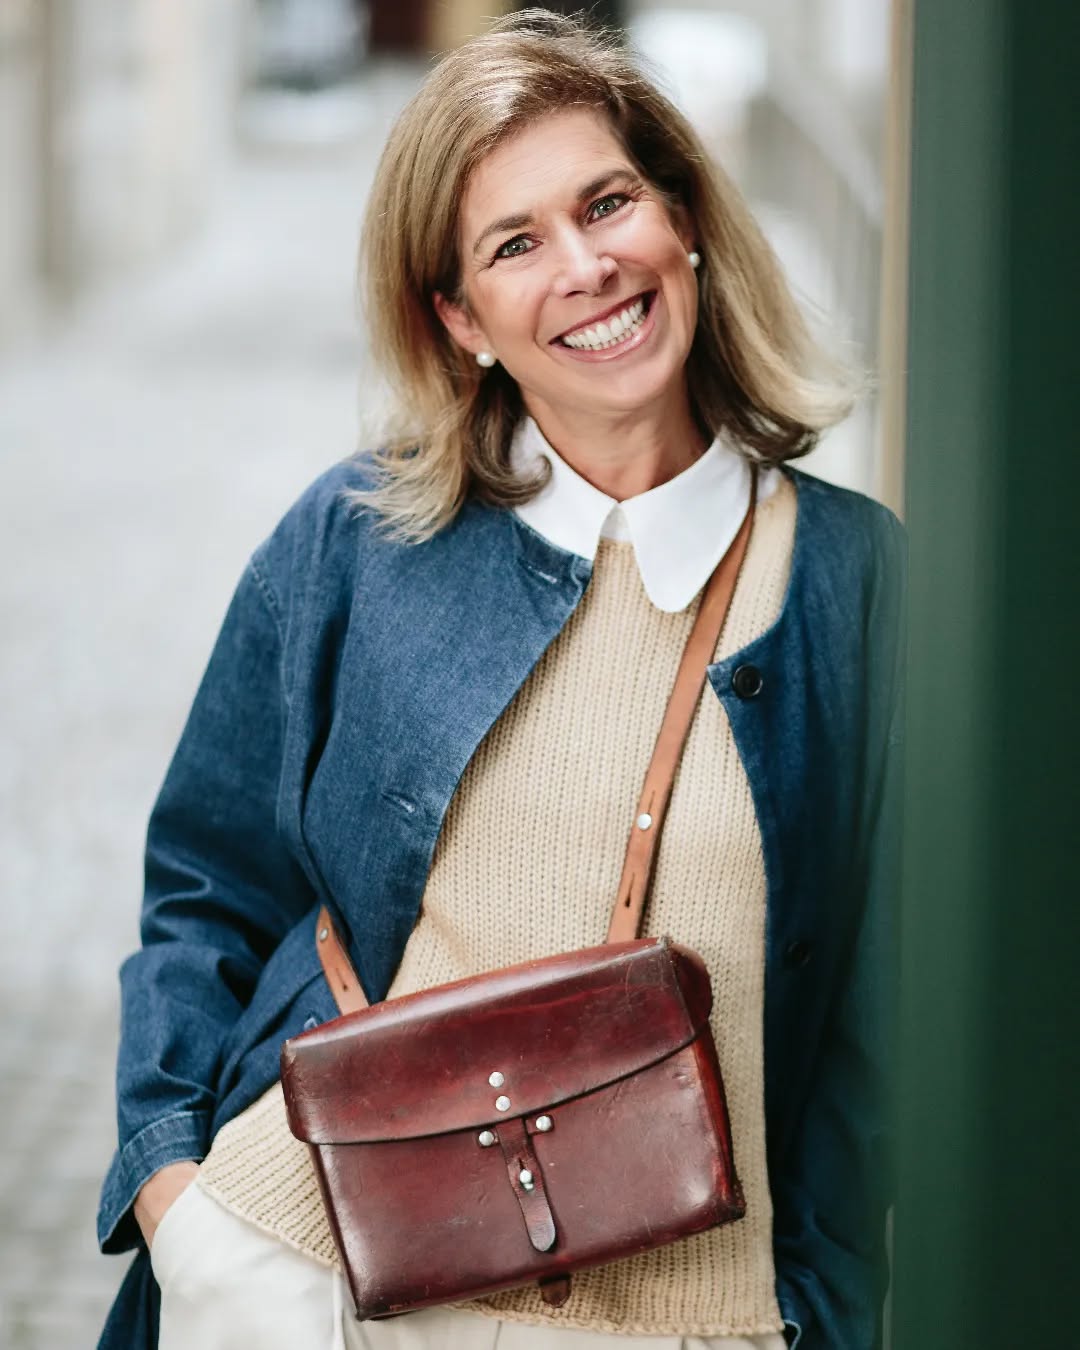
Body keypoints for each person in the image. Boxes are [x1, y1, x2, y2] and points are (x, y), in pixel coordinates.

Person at [96, 11, 903, 1350]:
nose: (585, 267)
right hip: (312, 1283)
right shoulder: (356, 543)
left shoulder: (853, 588)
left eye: (609, 203)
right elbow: (205, 887)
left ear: (686, 222)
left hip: (703, 1320)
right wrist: (179, 1206)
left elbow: (899, 1028)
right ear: (462, 320)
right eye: (514, 245)